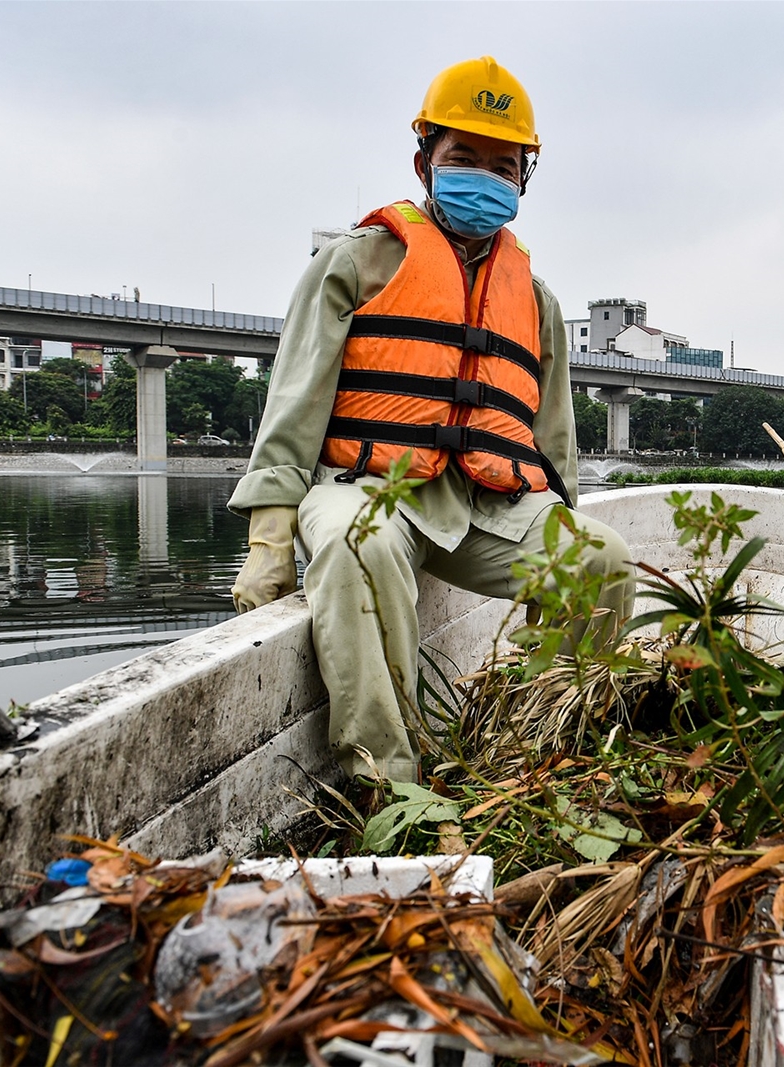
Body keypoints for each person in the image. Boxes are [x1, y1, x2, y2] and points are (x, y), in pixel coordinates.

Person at [228, 56, 633, 783]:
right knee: (361, 542)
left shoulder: (535, 299)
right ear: (424, 162)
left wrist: (562, 516)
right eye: (463, 158)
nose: (483, 176)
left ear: (522, 181)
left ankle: (544, 751)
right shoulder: (357, 261)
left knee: (599, 558)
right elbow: (292, 406)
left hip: (488, 505)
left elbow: (554, 444)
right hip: (366, 486)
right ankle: (391, 782)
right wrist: (268, 544)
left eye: (502, 165)